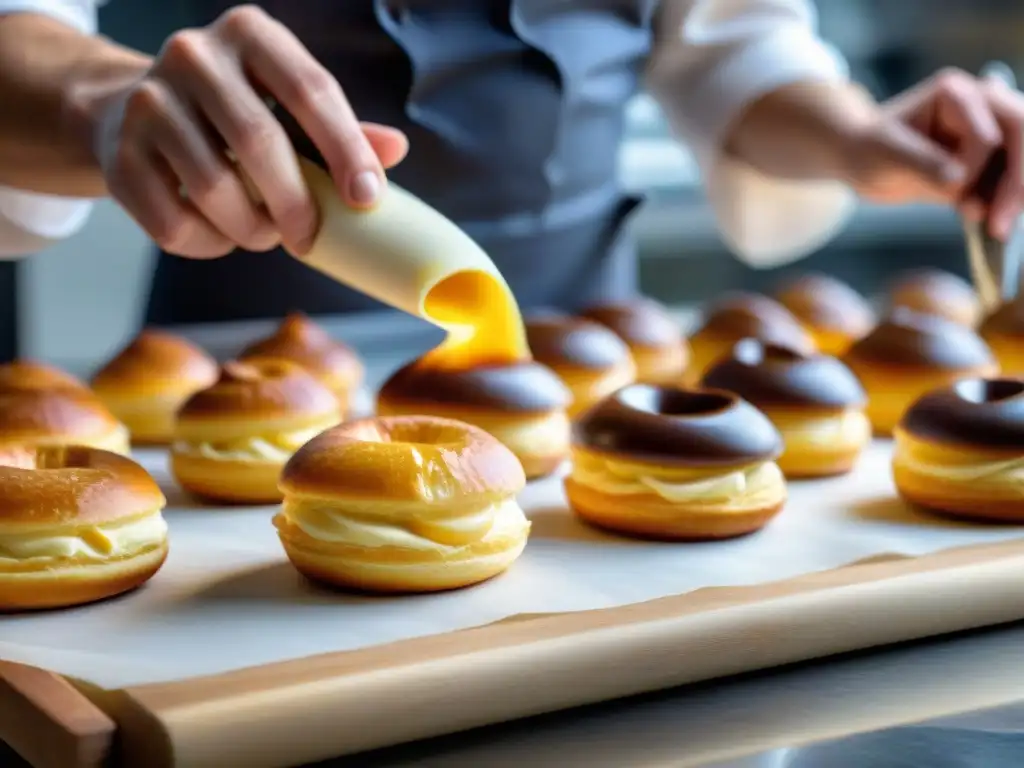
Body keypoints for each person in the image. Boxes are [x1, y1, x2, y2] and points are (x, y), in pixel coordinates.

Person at [0, 1, 1021, 326]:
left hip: (590, 377)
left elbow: (727, 42)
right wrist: (104, 102)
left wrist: (856, 138)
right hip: (247, 346)